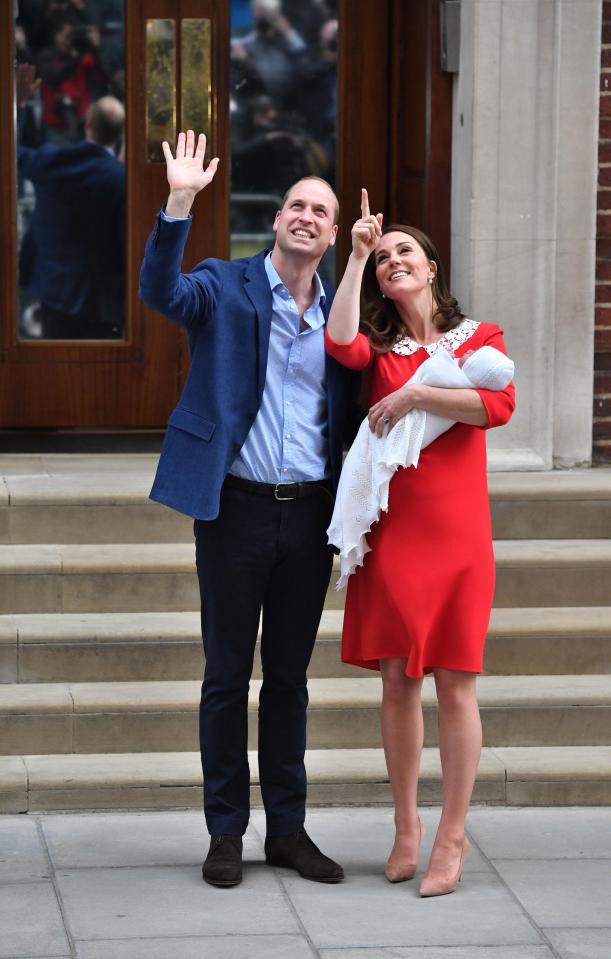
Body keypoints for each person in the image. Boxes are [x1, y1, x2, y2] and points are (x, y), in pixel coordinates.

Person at [139, 130, 358, 888]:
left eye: (319, 210)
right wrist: (179, 202)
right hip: (233, 509)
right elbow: (159, 293)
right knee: (227, 674)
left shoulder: (343, 317)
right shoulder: (224, 287)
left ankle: (288, 830)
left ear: (333, 235)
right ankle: (226, 829)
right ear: (277, 220)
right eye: (295, 204)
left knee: (290, 679)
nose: (305, 216)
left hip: (309, 519)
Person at [325, 190, 515, 897]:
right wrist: (351, 255)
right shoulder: (378, 350)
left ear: (432, 267)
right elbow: (337, 341)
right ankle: (405, 826)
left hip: (458, 537)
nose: (391, 262)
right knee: (397, 681)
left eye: (403, 251)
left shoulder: (479, 339)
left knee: (455, 685)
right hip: (394, 534)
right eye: (382, 258)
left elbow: (495, 405)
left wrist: (414, 396)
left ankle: (451, 835)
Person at [16, 64, 125, 339]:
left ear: (87, 123)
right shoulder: (122, 178)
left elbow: (9, 152)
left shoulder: (52, 161)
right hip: (106, 304)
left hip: (56, 295)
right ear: (120, 134)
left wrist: (17, 104)